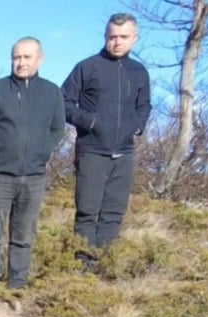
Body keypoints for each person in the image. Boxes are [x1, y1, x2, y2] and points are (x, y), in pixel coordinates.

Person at [0, 37, 65, 292]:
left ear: (39, 59)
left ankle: (17, 286)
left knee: (23, 236)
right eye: (16, 57)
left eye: (26, 57)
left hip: (33, 176)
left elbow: (57, 129)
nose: (20, 62)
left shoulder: (52, 92)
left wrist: (42, 152)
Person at [62, 12, 151, 267]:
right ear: (105, 37)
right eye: (112, 37)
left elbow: (144, 105)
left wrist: (137, 126)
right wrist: (89, 122)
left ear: (134, 38)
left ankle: (104, 265)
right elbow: (64, 101)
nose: (117, 42)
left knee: (113, 213)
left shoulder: (139, 72)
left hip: (124, 152)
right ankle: (83, 267)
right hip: (91, 150)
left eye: (123, 37)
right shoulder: (87, 67)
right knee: (88, 211)